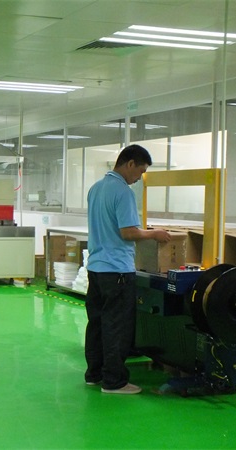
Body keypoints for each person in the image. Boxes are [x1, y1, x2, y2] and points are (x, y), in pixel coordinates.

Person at [84, 144, 171, 395]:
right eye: (140, 171)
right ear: (130, 164)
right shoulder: (123, 192)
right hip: (117, 271)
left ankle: (94, 374)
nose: (139, 178)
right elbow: (128, 232)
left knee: (97, 324)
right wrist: (154, 234)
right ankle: (114, 381)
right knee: (116, 326)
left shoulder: (96, 188)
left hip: (96, 268)